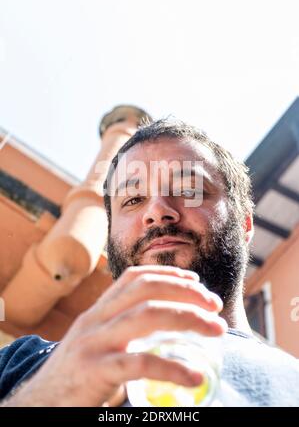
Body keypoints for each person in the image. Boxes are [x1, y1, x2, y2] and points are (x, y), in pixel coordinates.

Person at [0, 119, 299, 407]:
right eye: (132, 200)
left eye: (187, 190)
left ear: (245, 224)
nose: (157, 211)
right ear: (109, 238)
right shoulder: (19, 365)